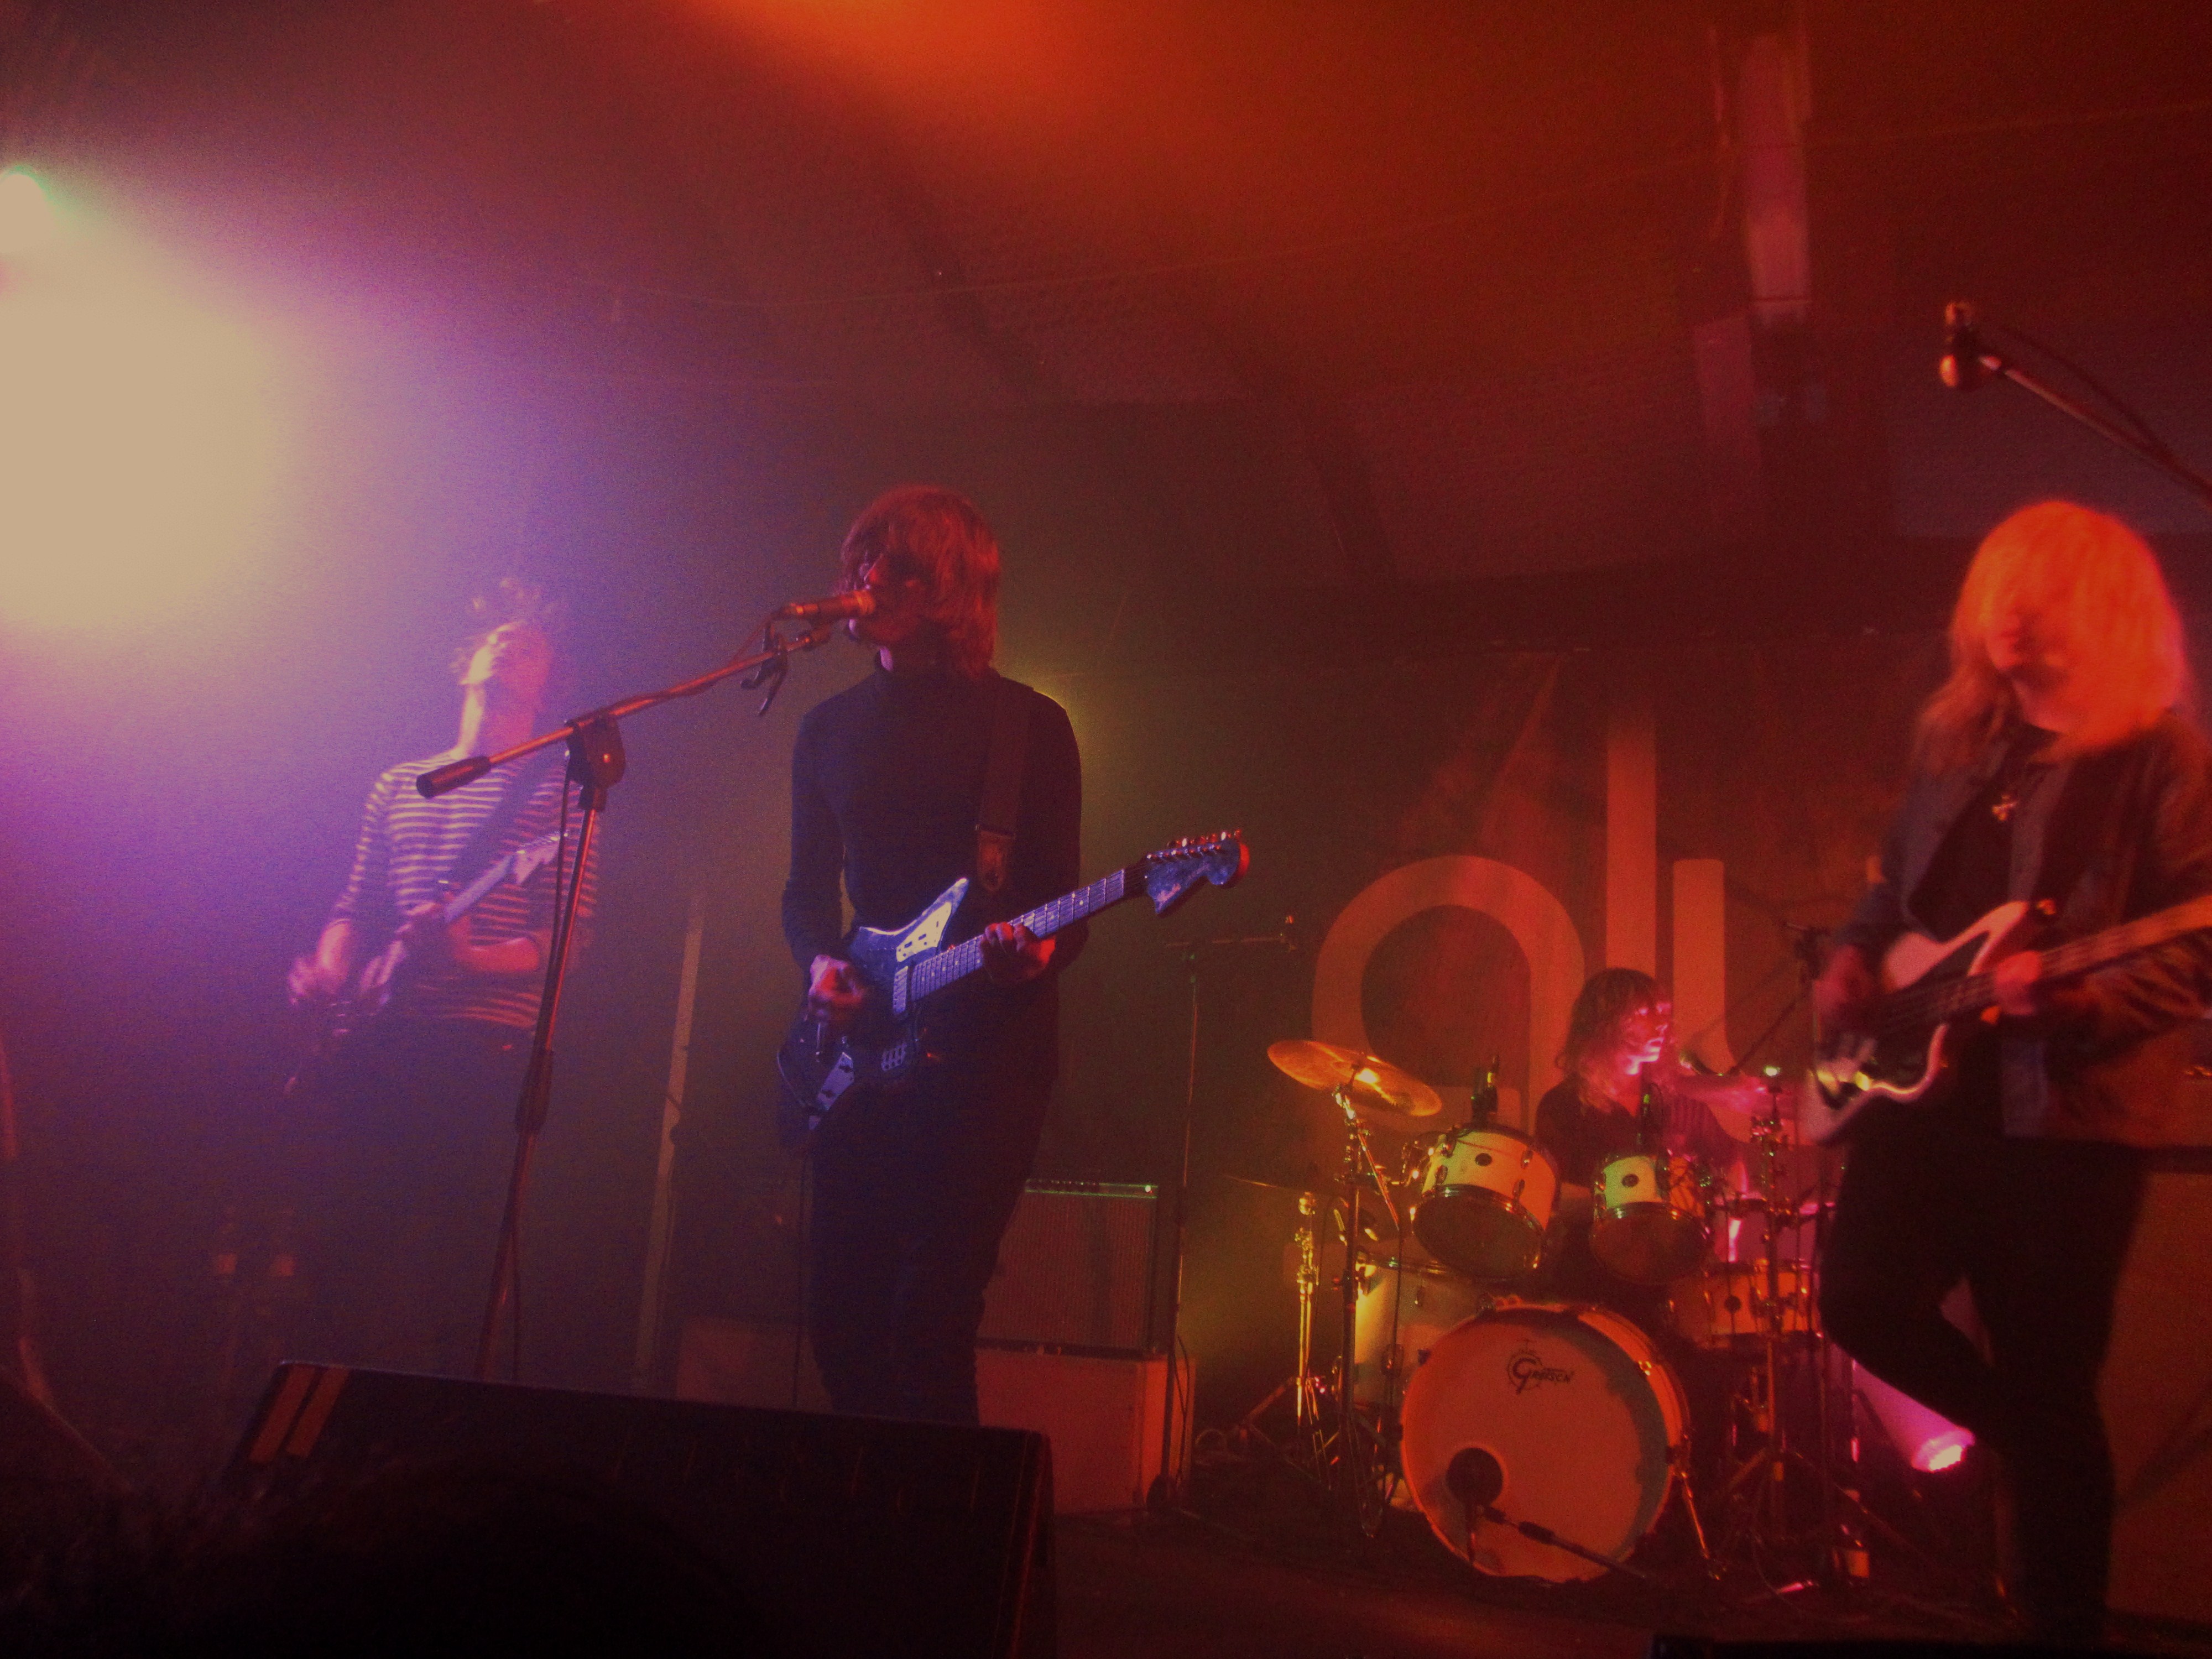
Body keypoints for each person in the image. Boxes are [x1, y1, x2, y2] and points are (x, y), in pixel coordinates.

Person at [1814, 500, 2212, 1644]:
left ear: (2099, 614)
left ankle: (2061, 1620)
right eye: (1998, 591)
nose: (2006, 615)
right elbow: (1893, 892)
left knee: (2049, 1374)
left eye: (2036, 596)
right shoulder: (1960, 752)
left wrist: (2080, 1003)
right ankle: (2037, 1443)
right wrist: (1854, 956)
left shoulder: (2158, 760)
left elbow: (2193, 944)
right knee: (1859, 1298)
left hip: (2066, 1129)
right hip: (1928, 1103)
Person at [781, 486, 1084, 1426]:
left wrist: (1036, 954)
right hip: (862, 1050)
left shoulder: (1030, 727)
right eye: (864, 558)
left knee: (931, 1325)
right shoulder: (827, 730)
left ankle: (944, 1514)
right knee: (842, 1326)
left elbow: (1064, 901)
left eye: (899, 566)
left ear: (950, 591)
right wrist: (819, 966)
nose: (868, 577)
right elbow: (805, 894)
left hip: (986, 1065)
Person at [288, 583, 598, 1376]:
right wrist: (331, 971)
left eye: (531, 646)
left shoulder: (563, 790)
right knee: (345, 1263)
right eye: (499, 637)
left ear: (547, 688)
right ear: (465, 664)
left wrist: (469, 958)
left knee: (459, 1279)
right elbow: (354, 906)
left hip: (483, 1052)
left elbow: (566, 941)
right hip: (383, 1044)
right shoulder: (399, 784)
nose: (510, 644)